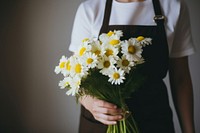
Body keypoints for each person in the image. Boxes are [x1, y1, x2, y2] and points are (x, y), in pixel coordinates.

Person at [69, 0, 195, 132]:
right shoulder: (90, 9)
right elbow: (77, 78)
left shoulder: (173, 7)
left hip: (153, 120)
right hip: (102, 123)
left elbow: (180, 79)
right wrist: (92, 104)